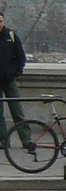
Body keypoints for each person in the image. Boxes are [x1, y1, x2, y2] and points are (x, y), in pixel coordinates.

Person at [0, 11, 32, 155]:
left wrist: (17, 72)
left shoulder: (11, 36)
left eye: (0, 21)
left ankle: (26, 139)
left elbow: (21, 56)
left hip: (10, 79)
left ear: (4, 21)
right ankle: (3, 140)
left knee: (17, 110)